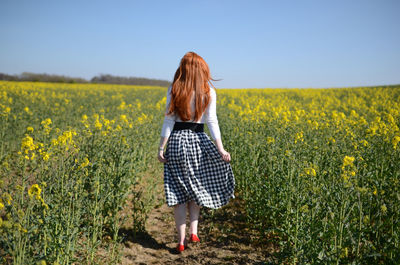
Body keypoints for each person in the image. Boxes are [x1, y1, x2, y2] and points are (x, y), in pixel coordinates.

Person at [157, 51, 235, 253]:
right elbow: (212, 122)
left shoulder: (174, 89)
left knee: (179, 193)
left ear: (182, 69)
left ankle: (181, 241)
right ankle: (194, 231)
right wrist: (220, 148)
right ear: (202, 70)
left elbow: (168, 121)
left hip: (176, 143)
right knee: (196, 187)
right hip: (199, 142)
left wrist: (161, 147)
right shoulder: (208, 91)